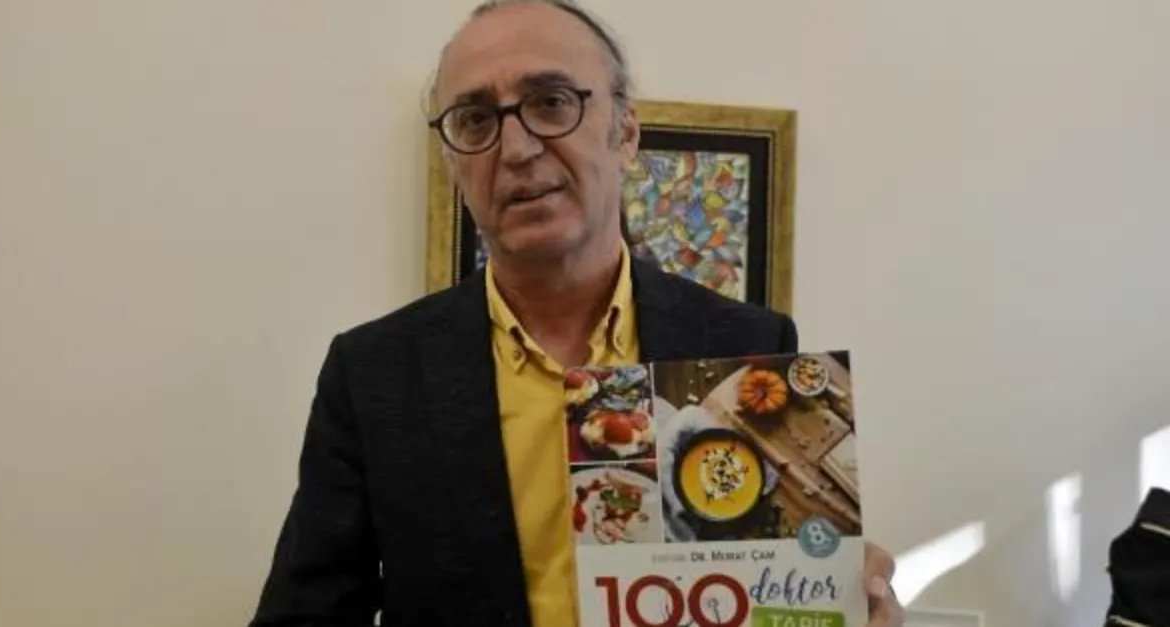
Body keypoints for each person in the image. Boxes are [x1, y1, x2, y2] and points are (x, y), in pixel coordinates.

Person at [248, 1, 904, 626]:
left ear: (625, 133)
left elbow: (766, 556)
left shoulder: (747, 342)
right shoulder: (374, 374)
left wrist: (835, 595)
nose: (517, 148)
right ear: (452, 161)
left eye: (551, 102)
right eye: (475, 119)